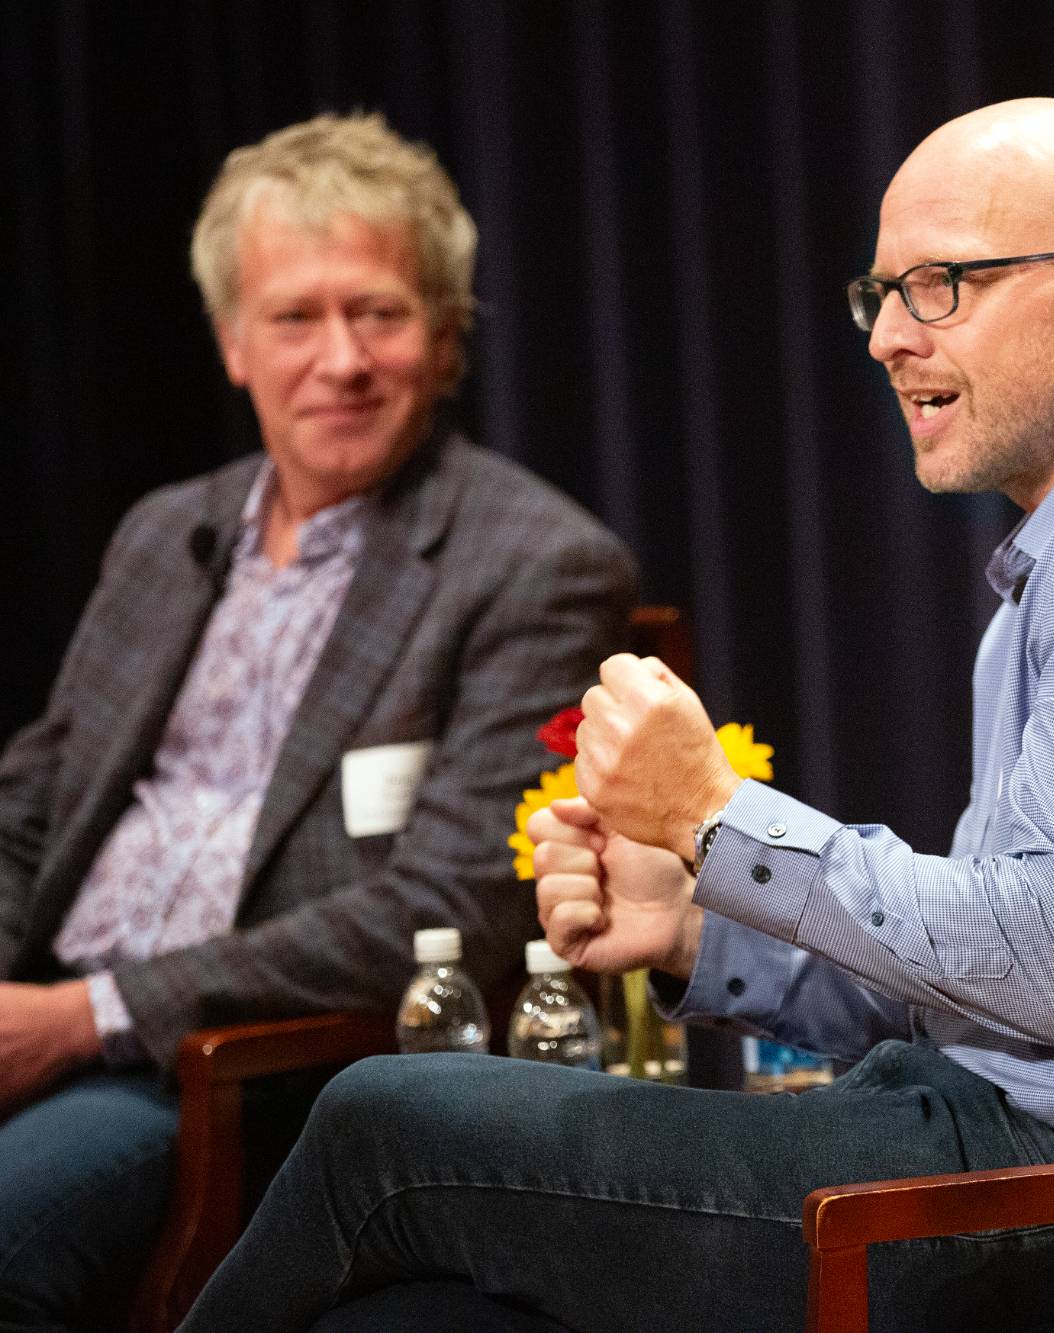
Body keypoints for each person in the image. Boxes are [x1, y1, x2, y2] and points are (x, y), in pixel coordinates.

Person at [182, 98, 1054, 1333]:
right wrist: (693, 928)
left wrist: (713, 816)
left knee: (377, 1125)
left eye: (942, 283)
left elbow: (1050, 975)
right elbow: (1004, 981)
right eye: (879, 294)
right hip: (1013, 1155)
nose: (889, 336)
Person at [0, 113, 636, 1329]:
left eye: (379, 314)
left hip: (225, 1072)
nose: (337, 358)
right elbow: (30, 815)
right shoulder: (162, 536)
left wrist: (80, 1021)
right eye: (294, 318)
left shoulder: (536, 563)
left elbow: (451, 901)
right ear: (234, 342)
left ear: (445, 340)